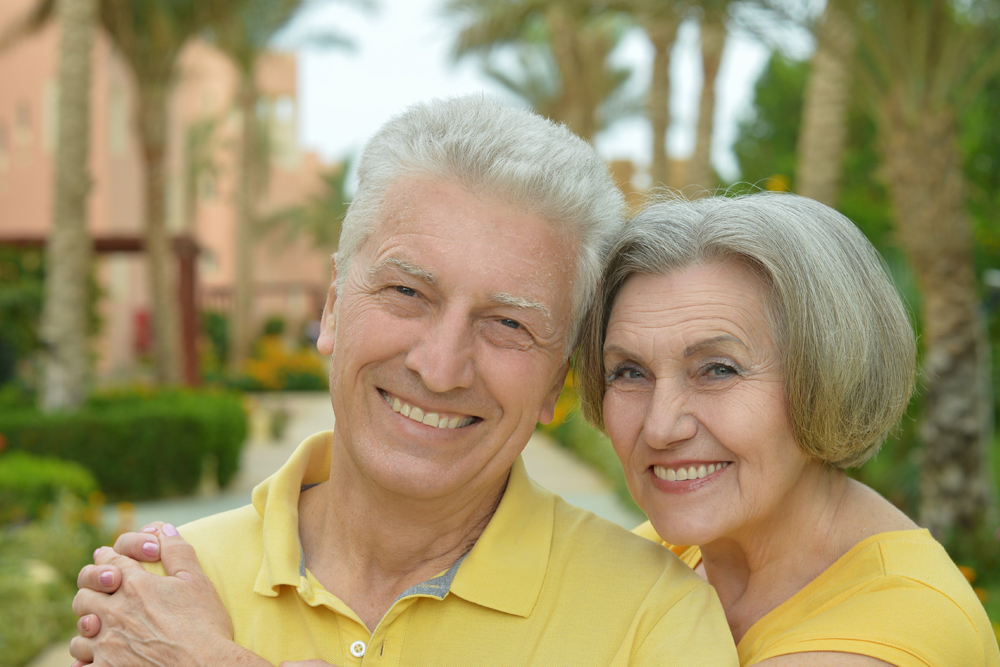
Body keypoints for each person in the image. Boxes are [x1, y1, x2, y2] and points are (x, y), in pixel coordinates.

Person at [70, 96, 738, 667]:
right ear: (333, 307)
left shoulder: (655, 621)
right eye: (406, 291)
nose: (439, 367)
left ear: (557, 381)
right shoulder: (163, 592)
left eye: (507, 323)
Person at [575, 192, 1000, 667]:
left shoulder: (896, 628)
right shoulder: (665, 551)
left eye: (717, 370)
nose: (659, 427)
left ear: (830, 374)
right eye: (630, 372)